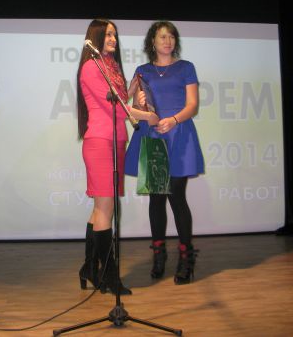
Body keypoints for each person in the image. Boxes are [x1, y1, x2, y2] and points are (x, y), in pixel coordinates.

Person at [76, 18, 158, 296]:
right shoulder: (91, 66)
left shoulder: (109, 65)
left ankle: (90, 267)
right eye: (108, 34)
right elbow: (117, 108)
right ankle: (109, 276)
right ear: (96, 37)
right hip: (100, 142)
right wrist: (147, 116)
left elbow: (120, 100)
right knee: (105, 210)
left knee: (101, 208)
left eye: (114, 35)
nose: (113, 39)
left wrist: (132, 90)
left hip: (116, 140)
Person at [125, 20, 205, 285]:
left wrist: (173, 120)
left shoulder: (186, 67)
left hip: (179, 135)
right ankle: (158, 255)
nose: (168, 41)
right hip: (153, 137)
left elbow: (192, 105)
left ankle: (186, 258)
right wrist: (140, 104)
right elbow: (135, 108)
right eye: (162, 36)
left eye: (171, 36)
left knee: (177, 197)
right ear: (152, 41)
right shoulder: (142, 71)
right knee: (157, 198)